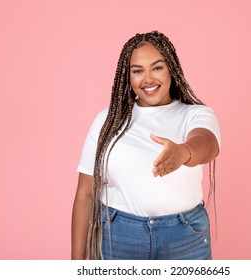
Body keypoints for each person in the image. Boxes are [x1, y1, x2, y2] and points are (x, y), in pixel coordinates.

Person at [72, 31, 221, 260]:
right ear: (127, 76)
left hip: (184, 237)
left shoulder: (195, 114)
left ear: (172, 68)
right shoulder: (107, 121)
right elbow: (85, 195)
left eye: (157, 67)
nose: (148, 79)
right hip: (119, 237)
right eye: (138, 71)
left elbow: (208, 143)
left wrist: (183, 153)